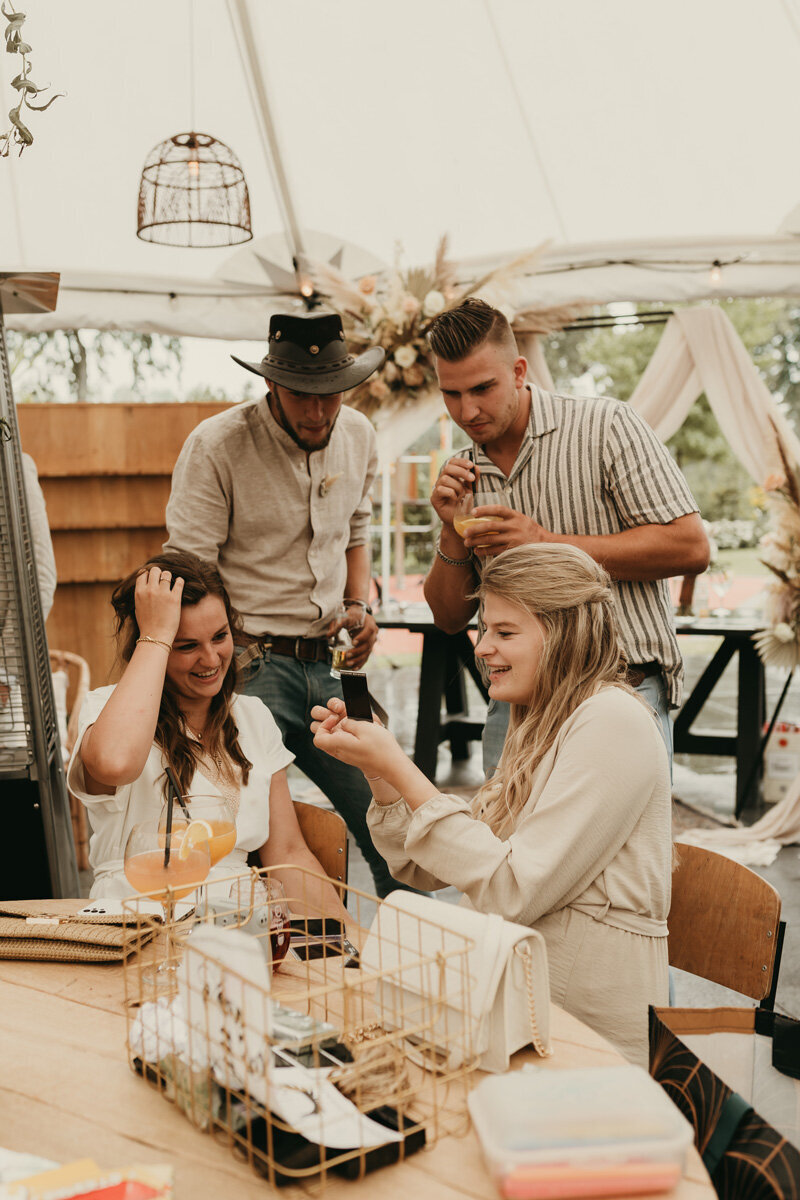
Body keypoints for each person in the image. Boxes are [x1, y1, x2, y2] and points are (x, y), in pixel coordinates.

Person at [312, 543, 672, 1066]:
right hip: (502, 1000)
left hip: (580, 1033)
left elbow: (510, 889)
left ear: (566, 634)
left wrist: (400, 768)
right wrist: (378, 772)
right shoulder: (536, 722)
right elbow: (424, 869)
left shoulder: (612, 721)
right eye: (484, 630)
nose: (481, 647)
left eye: (505, 632)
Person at [164, 311, 400, 897]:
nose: (318, 412)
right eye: (301, 395)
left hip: (330, 666)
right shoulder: (217, 445)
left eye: (331, 395)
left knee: (395, 824)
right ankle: (275, 967)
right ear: (269, 383)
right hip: (246, 667)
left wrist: (358, 606)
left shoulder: (361, 435)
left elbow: (358, 529)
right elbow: (189, 571)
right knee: (242, 839)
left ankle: (415, 967)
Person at [423, 298, 710, 776]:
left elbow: (690, 547)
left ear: (519, 371)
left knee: (618, 852)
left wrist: (544, 541)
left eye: (482, 388)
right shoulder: (463, 473)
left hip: (618, 692)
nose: (467, 410)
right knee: (504, 849)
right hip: (515, 710)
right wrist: (452, 534)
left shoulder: (607, 426)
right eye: (451, 394)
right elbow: (449, 619)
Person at [67, 550, 347, 921]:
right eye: (186, 646)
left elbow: (289, 853)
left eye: (220, 637)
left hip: (240, 927)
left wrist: (346, 945)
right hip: (136, 925)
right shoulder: (105, 710)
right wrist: (155, 634)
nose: (212, 659)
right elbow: (115, 763)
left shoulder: (253, 716)